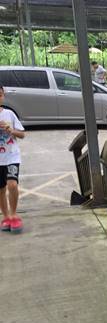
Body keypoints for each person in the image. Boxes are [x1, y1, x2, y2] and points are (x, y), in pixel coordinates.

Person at [0, 84, 26, 234]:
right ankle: (6, 216)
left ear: (3, 96)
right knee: (1, 189)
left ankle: (14, 214)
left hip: (11, 155)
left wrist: (11, 130)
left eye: (0, 94)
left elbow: (22, 134)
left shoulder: (9, 114)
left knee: (12, 185)